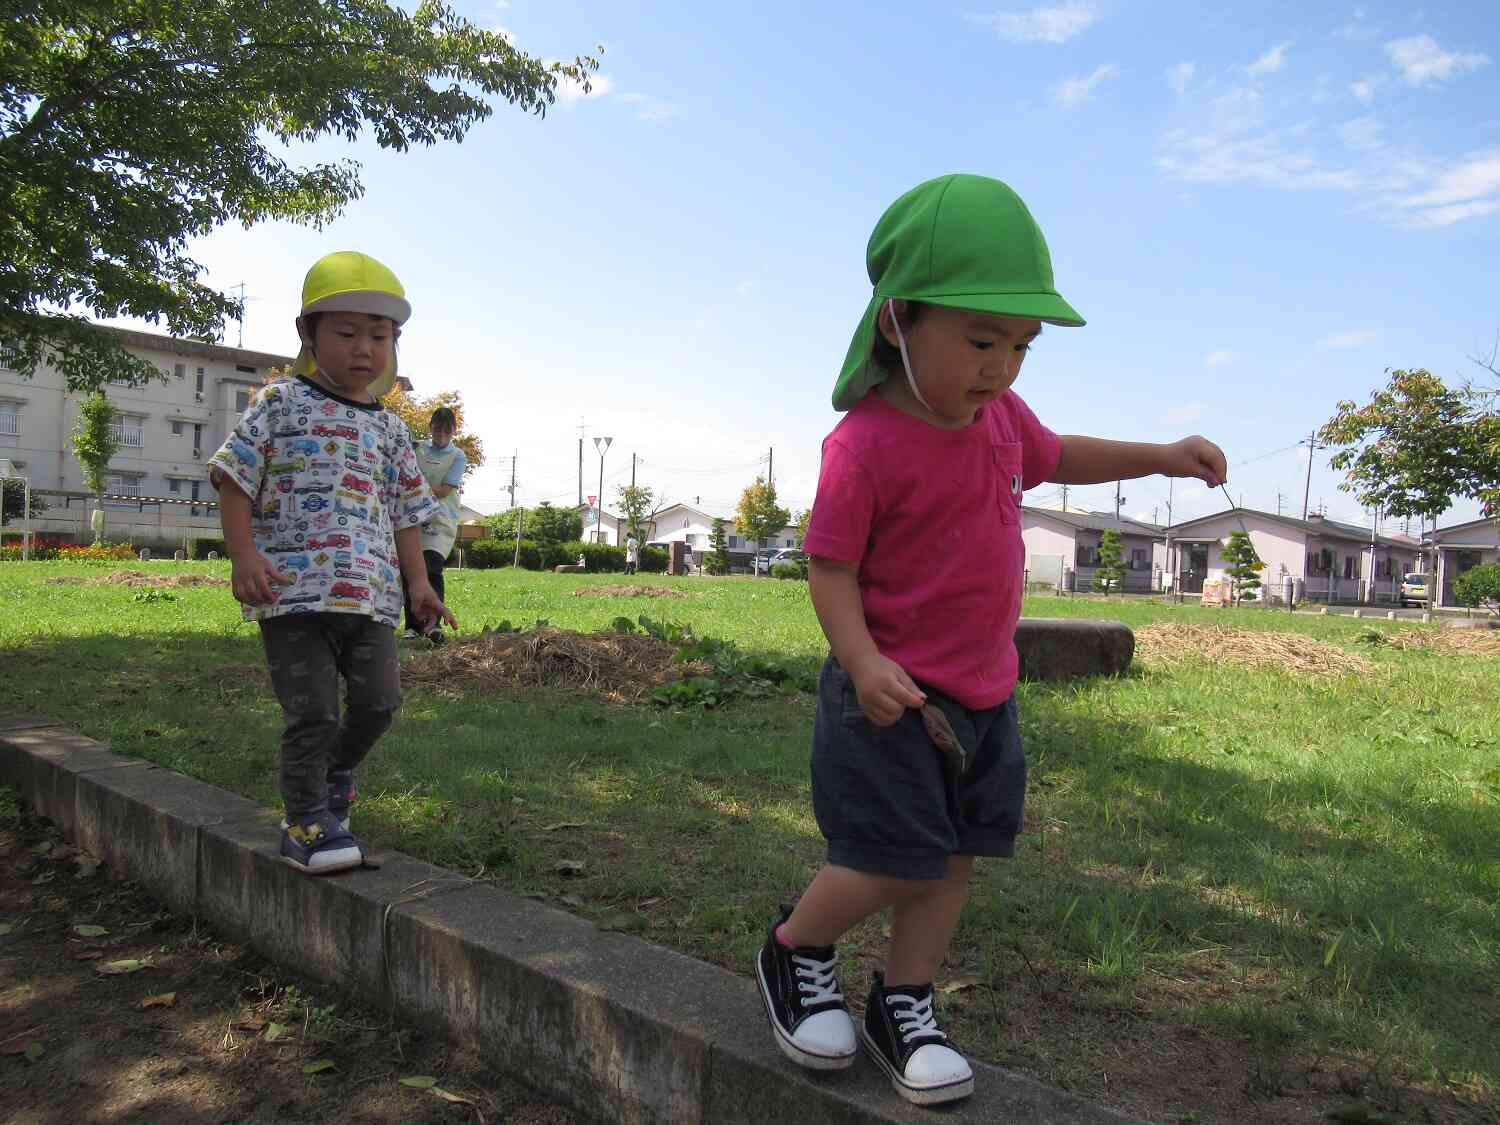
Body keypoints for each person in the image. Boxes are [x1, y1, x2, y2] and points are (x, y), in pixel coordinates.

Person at [755, 175, 1227, 1106]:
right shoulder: (864, 445)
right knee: (888, 854)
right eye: (979, 340)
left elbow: (1066, 456)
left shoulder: (1000, 419)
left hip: (984, 691)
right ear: (896, 322)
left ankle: (905, 999)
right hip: (890, 694)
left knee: (956, 852)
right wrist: (861, 659)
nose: (1002, 367)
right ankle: (796, 949)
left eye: (1020, 346)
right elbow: (830, 566)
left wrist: (1162, 455)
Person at [209, 250, 457, 876]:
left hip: (371, 598)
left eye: (380, 336)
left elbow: (406, 514)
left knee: (379, 703)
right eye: (346, 333)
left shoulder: (394, 431)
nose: (364, 349)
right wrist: (244, 555)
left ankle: (336, 775)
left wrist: (420, 584)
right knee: (313, 711)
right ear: (308, 334)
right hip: (291, 595)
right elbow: (233, 477)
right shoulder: (279, 403)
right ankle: (304, 821)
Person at [402, 406, 467, 642]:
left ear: (453, 431)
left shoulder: (458, 456)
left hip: (440, 520)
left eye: (446, 430)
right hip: (412, 518)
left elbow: (444, 490)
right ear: (430, 428)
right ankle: (411, 625)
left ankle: (433, 624)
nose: (441, 434)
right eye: (437, 429)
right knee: (410, 571)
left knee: (431, 567)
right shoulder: (416, 447)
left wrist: (413, 488)